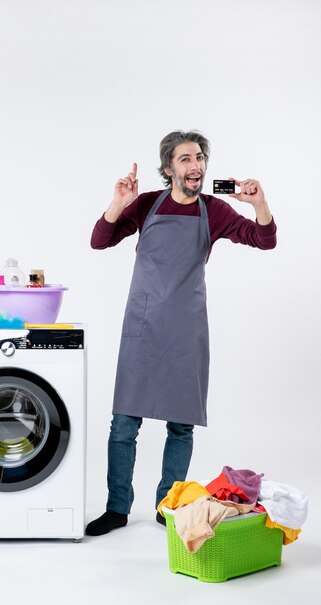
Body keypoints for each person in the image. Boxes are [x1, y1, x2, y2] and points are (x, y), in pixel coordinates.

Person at [86, 130, 277, 536]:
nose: (197, 166)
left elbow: (264, 240)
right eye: (187, 159)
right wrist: (117, 204)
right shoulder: (144, 205)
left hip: (186, 329)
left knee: (181, 426)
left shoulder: (215, 210)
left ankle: (166, 506)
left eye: (200, 158)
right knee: (123, 424)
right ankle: (117, 508)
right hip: (142, 325)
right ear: (169, 167)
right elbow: (99, 241)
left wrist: (259, 203)